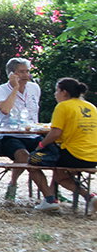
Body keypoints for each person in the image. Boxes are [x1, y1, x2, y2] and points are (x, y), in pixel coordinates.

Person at [36, 77, 97, 212]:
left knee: (35, 163)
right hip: (93, 156)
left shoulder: (63, 106)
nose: (55, 94)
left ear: (64, 92)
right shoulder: (91, 106)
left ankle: (52, 199)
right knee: (59, 169)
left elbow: (55, 133)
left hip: (75, 154)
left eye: (57, 91)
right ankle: (51, 200)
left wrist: (41, 145)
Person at [0, 58, 48, 202]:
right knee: (23, 156)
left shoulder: (34, 88)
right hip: (10, 135)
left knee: (57, 152)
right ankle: (13, 184)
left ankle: (52, 192)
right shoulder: (0, 90)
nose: (26, 75)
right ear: (11, 74)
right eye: (21, 72)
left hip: (34, 134)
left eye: (27, 71)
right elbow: (5, 109)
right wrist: (15, 88)